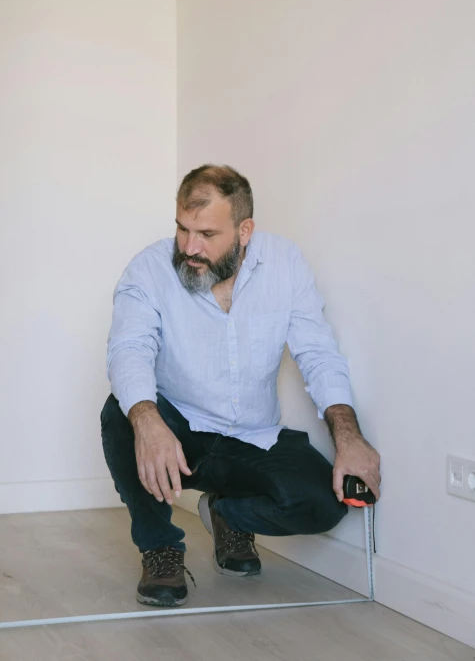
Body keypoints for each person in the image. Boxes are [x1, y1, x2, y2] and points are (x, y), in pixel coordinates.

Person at [101, 165, 381, 607]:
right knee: (122, 412)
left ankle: (227, 514)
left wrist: (350, 438)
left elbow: (318, 354)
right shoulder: (150, 269)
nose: (190, 247)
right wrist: (147, 418)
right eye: (182, 229)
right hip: (181, 431)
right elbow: (127, 349)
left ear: (244, 230)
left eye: (207, 234)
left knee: (323, 506)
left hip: (253, 437)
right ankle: (161, 549)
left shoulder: (285, 263)